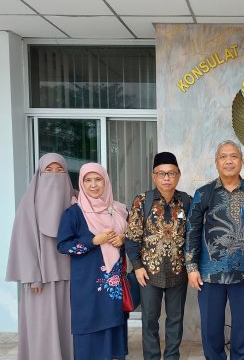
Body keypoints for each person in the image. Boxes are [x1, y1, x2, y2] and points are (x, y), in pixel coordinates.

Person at [185, 140, 244, 360]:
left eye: (233, 156)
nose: (228, 161)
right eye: (223, 156)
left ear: (241, 161)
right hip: (209, 274)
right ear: (216, 162)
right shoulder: (203, 193)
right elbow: (192, 230)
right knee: (211, 330)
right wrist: (191, 266)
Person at [6, 153, 75, 360]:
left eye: (60, 170)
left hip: (72, 277)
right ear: (39, 174)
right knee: (42, 328)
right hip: (40, 279)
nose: (54, 175)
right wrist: (32, 276)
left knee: (68, 325)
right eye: (49, 170)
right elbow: (23, 242)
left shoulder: (76, 199)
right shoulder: (29, 205)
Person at [57, 162, 128, 360]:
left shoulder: (119, 210)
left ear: (106, 182)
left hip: (113, 284)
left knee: (113, 324)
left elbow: (131, 237)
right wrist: (93, 240)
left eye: (98, 179)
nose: (93, 185)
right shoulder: (74, 213)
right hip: (87, 284)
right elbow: (63, 245)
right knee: (88, 325)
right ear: (81, 182)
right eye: (87, 180)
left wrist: (123, 239)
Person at [125, 152, 191, 360]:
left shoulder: (186, 201)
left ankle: (172, 357)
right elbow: (132, 237)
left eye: (171, 173)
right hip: (148, 273)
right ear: (154, 176)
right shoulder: (142, 201)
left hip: (178, 272)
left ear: (178, 175)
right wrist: (137, 266)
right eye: (161, 173)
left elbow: (192, 236)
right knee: (150, 320)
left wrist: (191, 267)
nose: (166, 178)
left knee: (175, 320)